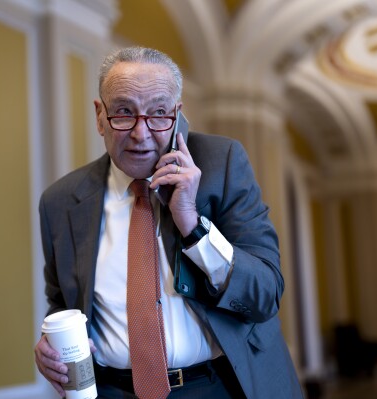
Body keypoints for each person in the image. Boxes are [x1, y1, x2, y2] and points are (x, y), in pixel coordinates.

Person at [34, 46, 303, 399]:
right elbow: (62, 301)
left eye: (159, 113)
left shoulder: (222, 165)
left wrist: (192, 225)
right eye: (124, 113)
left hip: (223, 386)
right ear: (100, 116)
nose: (141, 133)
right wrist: (50, 344)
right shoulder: (60, 202)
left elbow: (264, 293)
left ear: (177, 115)